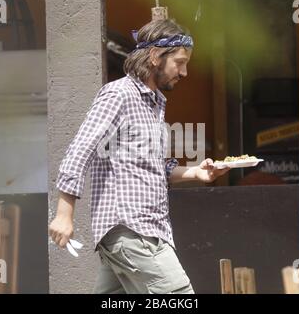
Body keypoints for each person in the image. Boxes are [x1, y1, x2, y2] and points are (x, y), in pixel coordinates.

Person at [49, 19, 230, 294]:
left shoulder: (155, 102)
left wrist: (196, 173)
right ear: (156, 56)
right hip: (133, 232)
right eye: (179, 63)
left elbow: (149, 167)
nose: (184, 72)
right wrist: (64, 213)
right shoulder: (118, 94)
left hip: (138, 233)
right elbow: (79, 148)